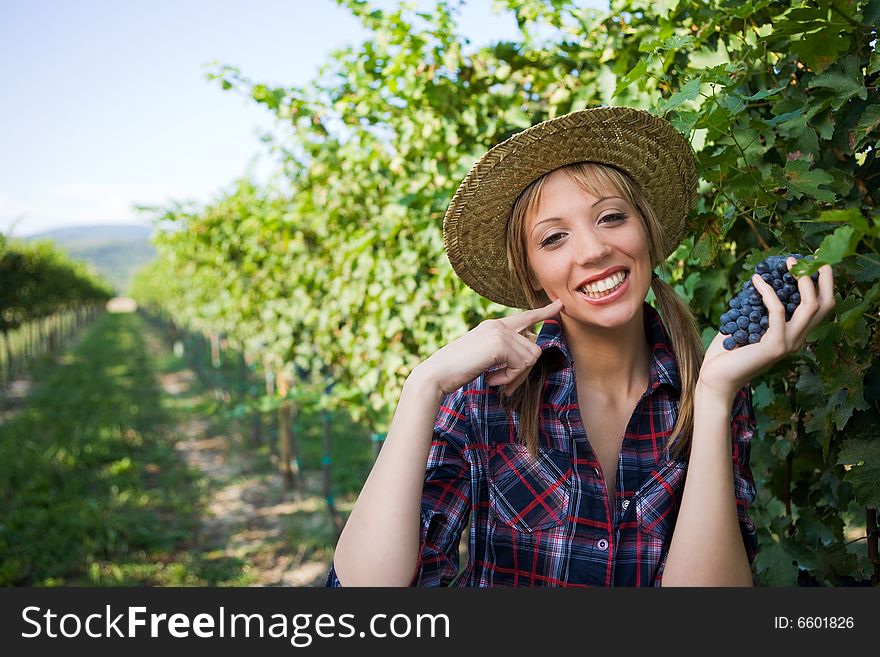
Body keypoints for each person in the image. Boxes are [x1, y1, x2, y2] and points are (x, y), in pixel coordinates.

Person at [326, 106, 836, 586]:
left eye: (611, 217)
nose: (593, 250)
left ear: (647, 232)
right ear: (531, 274)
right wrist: (424, 384)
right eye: (553, 238)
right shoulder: (488, 396)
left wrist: (715, 396)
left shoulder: (708, 390)